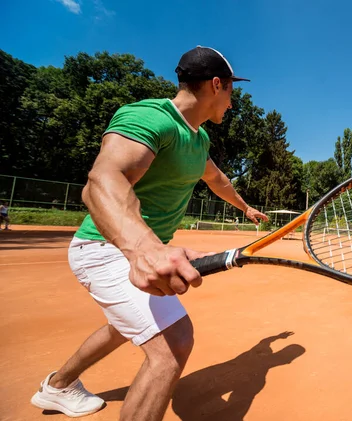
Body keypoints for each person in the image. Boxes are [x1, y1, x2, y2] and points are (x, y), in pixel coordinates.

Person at [30, 46, 268, 420]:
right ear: (216, 84)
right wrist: (142, 247)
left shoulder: (198, 139)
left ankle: (58, 386)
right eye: (231, 93)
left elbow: (217, 179)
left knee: (123, 326)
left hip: (135, 251)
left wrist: (246, 208)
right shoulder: (150, 117)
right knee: (174, 343)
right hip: (105, 248)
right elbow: (102, 180)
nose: (232, 103)